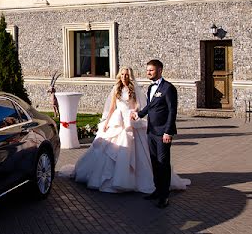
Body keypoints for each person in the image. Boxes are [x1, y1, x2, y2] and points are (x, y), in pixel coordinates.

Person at [59, 68, 189, 196]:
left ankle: (153, 183)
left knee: (142, 151)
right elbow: (111, 108)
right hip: (117, 120)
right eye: (122, 74)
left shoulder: (135, 89)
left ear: (130, 76)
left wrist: (135, 112)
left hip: (131, 119)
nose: (124, 77)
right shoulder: (116, 89)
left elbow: (140, 105)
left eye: (126, 75)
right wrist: (106, 122)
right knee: (108, 149)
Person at [131, 59, 186, 208]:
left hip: (163, 133)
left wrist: (168, 132)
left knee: (163, 164)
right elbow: (150, 106)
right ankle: (157, 189)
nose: (148, 72)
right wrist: (139, 114)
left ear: (160, 70)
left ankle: (164, 196)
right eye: (147, 70)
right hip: (151, 131)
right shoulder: (150, 88)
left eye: (151, 70)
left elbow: (172, 111)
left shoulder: (169, 88)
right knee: (154, 162)